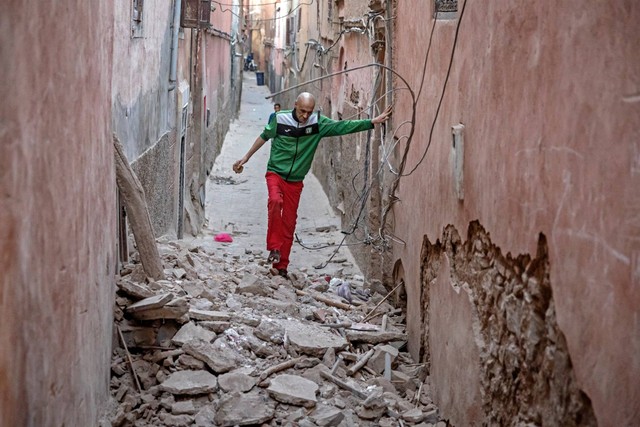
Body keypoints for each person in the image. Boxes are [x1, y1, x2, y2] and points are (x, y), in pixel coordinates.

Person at [233, 92, 392, 277]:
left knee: (290, 223)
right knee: (275, 202)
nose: (305, 116)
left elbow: (342, 126)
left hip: (295, 181)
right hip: (275, 173)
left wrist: (371, 122)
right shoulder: (279, 119)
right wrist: (245, 157)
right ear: (295, 105)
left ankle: (281, 266)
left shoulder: (317, 123)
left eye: (309, 112)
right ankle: (274, 248)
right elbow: (264, 136)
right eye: (302, 111)